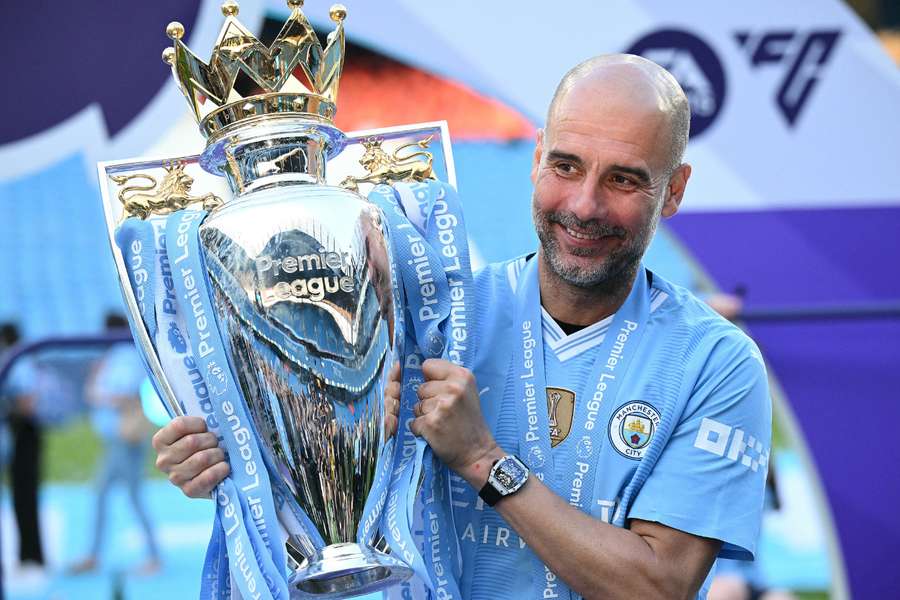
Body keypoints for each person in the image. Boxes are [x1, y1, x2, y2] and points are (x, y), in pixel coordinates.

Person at [152, 54, 771, 599]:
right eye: (566, 166)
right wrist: (241, 466)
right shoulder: (431, 314)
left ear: (673, 191)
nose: (585, 205)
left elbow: (658, 587)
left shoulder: (716, 362)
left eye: (624, 179)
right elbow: (331, 517)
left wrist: (482, 459)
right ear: (535, 162)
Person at [69, 314, 161, 575]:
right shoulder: (120, 356)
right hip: (117, 439)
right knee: (112, 494)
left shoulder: (124, 356)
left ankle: (151, 556)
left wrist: (99, 393)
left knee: (127, 495)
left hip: (124, 439)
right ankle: (95, 554)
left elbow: (125, 394)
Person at [0, 323, 46, 575]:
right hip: (20, 432)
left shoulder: (19, 362)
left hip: (24, 433)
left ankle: (31, 556)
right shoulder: (20, 361)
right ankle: (27, 555)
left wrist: (9, 408)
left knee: (25, 497)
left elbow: (28, 404)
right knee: (21, 498)